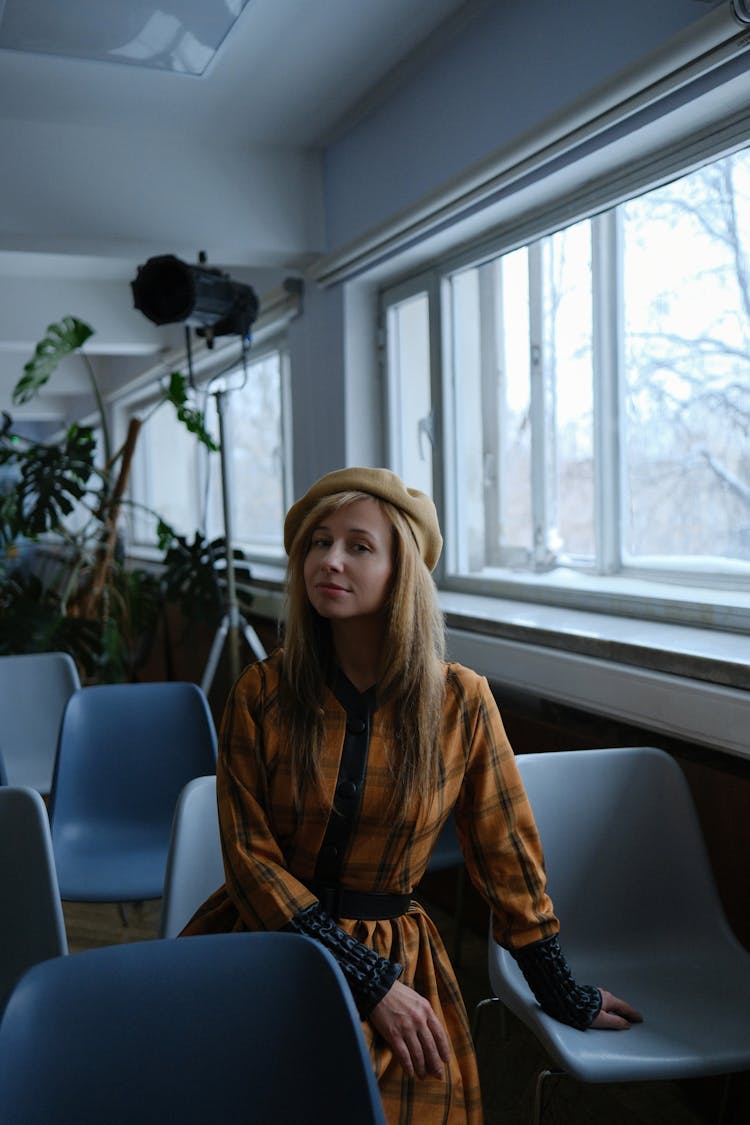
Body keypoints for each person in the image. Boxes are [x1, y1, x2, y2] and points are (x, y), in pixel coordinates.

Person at [181, 466, 642, 1123]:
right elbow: (249, 857)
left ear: (403, 570)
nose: (329, 560)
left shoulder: (461, 702)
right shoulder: (261, 691)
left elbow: (505, 856)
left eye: (357, 545)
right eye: (318, 542)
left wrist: (560, 988)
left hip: (398, 950)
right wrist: (365, 981)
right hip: (264, 936)